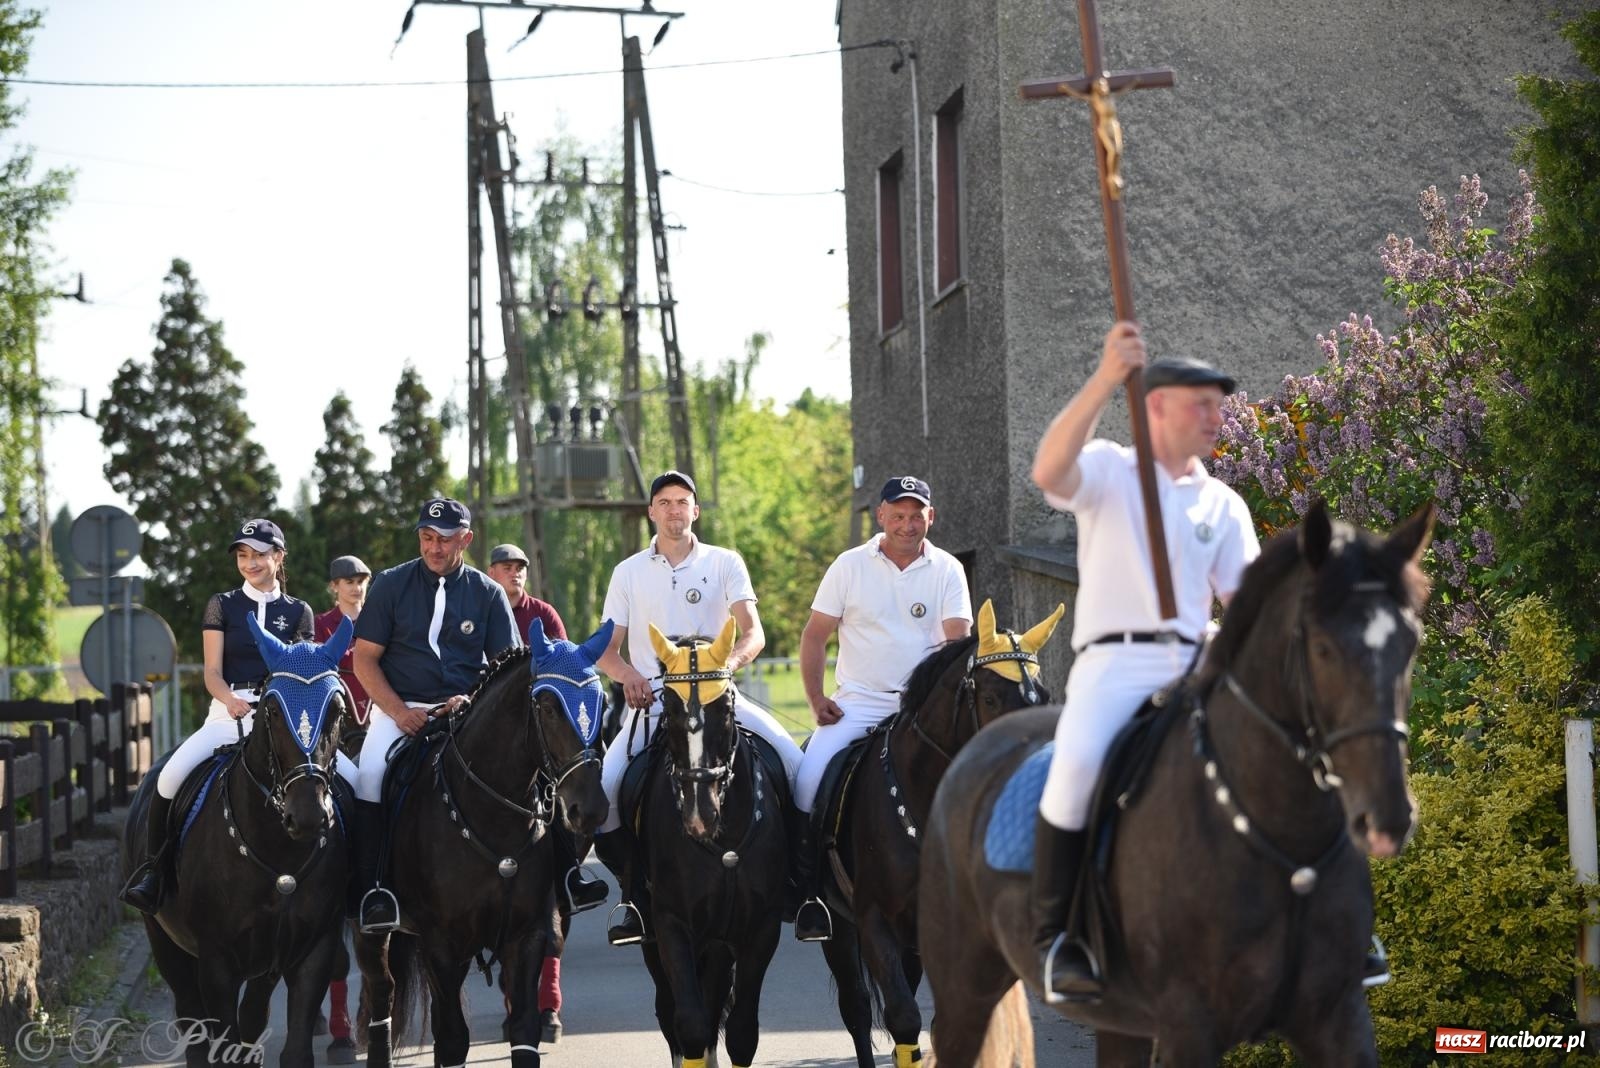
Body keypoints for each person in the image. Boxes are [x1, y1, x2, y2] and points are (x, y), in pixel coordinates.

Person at [1028, 321, 1261, 1001]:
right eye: (1203, 404)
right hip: (1114, 665)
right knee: (1074, 764)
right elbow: (1047, 471)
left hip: (1195, 663)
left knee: (1283, 751)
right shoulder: (1107, 469)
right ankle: (1057, 941)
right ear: (1156, 406)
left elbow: (1243, 602)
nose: (1218, 417)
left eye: (1220, 405)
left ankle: (1318, 919)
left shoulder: (1222, 502)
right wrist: (1105, 376)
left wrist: (1230, 641)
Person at [349, 497, 606, 931]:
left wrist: (469, 700)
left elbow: (503, 667)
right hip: (400, 712)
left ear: (465, 540)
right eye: (427, 538)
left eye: (445, 540)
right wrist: (396, 712)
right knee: (370, 779)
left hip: (465, 710)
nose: (434, 548)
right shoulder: (390, 586)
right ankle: (374, 892)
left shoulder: (487, 593)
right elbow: (365, 661)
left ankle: (567, 877)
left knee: (541, 774)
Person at [591, 470, 805, 946]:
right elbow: (606, 646)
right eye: (664, 502)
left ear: (696, 510)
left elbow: (754, 631)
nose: (673, 510)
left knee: (798, 769)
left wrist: (726, 666)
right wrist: (628, 676)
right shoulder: (628, 571)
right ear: (651, 512)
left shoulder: (726, 562)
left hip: (718, 699)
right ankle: (635, 895)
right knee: (600, 799)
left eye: (682, 502)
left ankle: (800, 887)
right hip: (654, 705)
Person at [121, 518, 356, 913]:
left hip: (285, 715)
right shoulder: (222, 604)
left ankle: (361, 880)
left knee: (356, 781)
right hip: (232, 710)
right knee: (169, 777)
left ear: (278, 557)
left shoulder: (299, 611)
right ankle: (154, 872)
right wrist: (229, 699)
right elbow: (212, 670)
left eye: (260, 555)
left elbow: (304, 672)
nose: (250, 563)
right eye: (244, 556)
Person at [791, 476, 974, 942]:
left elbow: (957, 643)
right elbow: (815, 636)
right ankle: (808, 894)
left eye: (917, 516)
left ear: (930, 517)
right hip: (859, 704)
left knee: (980, 780)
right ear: (880, 515)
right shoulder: (849, 566)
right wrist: (816, 699)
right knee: (808, 782)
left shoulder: (948, 569)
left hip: (924, 713)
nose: (907, 525)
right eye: (898, 515)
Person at [315, 555, 373, 721]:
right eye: (349, 582)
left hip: (377, 703)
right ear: (334, 586)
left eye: (361, 581)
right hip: (336, 706)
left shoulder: (379, 621)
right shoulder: (320, 623)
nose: (357, 588)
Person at [486, 543, 566, 642]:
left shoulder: (544, 613)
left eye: (519, 569)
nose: (515, 574)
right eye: (507, 568)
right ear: (491, 573)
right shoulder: (480, 610)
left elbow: (563, 654)